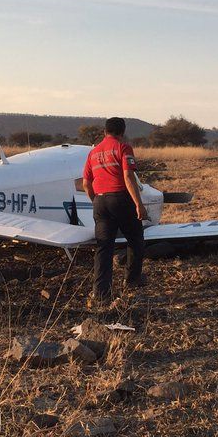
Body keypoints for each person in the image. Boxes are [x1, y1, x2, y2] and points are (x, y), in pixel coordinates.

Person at [82, 116, 147, 306]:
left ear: (104, 132)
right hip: (121, 199)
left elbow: (86, 183)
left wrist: (96, 201)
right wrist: (138, 204)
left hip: (100, 201)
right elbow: (128, 176)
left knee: (103, 247)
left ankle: (101, 293)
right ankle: (132, 280)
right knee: (135, 239)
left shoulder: (93, 153)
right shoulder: (123, 148)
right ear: (122, 132)